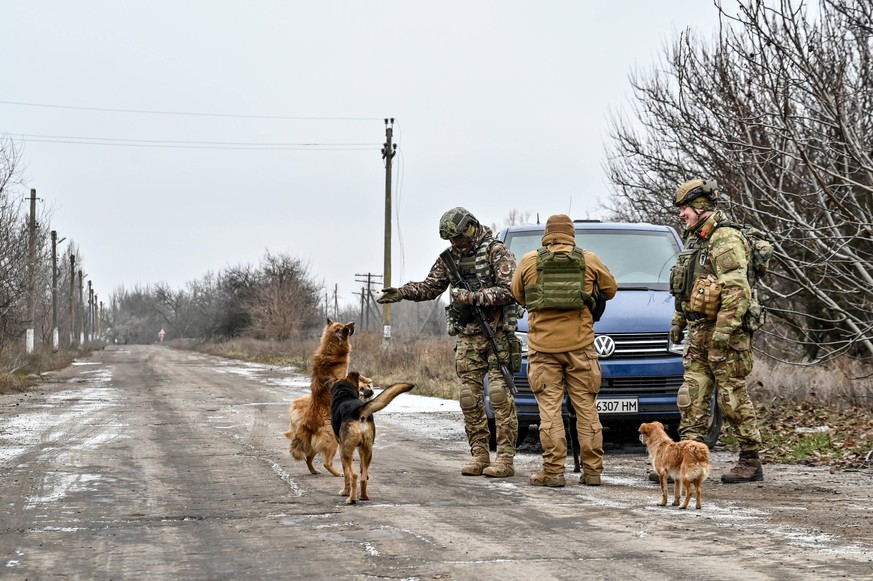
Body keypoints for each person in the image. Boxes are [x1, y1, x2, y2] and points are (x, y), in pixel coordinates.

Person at [376, 207, 520, 478]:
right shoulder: (450, 257)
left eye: (459, 238)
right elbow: (431, 287)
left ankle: (504, 459)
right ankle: (479, 455)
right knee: (468, 398)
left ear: (470, 229)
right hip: (468, 335)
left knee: (500, 396)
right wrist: (402, 292)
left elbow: (510, 290)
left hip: (498, 333)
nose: (456, 244)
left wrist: (473, 298)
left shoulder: (496, 252)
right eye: (452, 240)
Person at [668, 178, 764, 483]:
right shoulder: (695, 240)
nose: (681, 214)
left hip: (727, 334)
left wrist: (723, 334)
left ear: (700, 207)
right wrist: (679, 321)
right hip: (698, 331)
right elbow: (688, 288)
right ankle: (687, 460)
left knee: (731, 396)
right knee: (692, 396)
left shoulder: (724, 239)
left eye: (685, 208)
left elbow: (737, 290)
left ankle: (750, 459)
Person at [510, 214, 617, 487]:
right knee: (586, 409)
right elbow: (611, 289)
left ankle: (553, 471)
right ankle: (592, 471)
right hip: (581, 347)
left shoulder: (529, 260)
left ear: (546, 234)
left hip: (543, 350)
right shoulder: (588, 259)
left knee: (550, 411)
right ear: (571, 234)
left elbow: (517, 294)